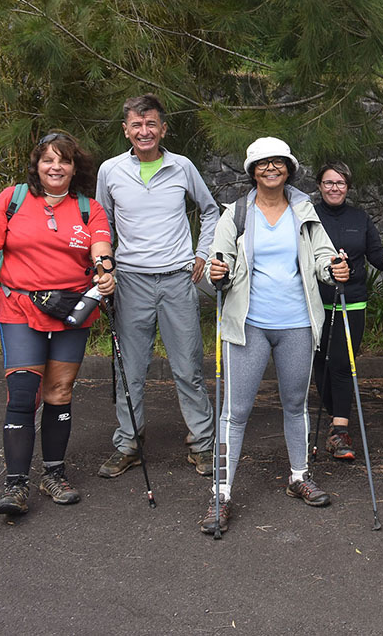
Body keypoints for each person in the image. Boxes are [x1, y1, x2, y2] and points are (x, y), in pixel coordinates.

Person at [0, 131, 115, 516]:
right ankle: (15, 484)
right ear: (37, 166)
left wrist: (105, 271)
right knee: (23, 393)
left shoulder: (87, 208)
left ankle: (53, 474)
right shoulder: (11, 201)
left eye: (63, 160)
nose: (55, 167)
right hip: (20, 309)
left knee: (59, 392)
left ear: (75, 168)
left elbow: (101, 247)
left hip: (71, 310)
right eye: (48, 160)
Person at [204, 138, 350, 533]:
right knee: (234, 413)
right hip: (247, 324)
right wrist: (215, 273)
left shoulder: (304, 210)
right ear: (253, 170)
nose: (271, 169)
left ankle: (299, 476)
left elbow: (322, 256)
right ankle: (220, 493)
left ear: (289, 168)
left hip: (298, 323)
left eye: (278, 163)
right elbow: (217, 264)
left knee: (295, 404)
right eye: (263, 164)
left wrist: (332, 268)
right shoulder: (235, 213)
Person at [95, 94, 219, 479]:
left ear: (163, 129)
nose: (144, 131)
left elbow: (211, 209)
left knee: (187, 367)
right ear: (126, 130)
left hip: (178, 280)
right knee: (129, 369)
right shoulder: (110, 171)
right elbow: (103, 223)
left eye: (151, 125)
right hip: (130, 282)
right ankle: (128, 442)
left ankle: (203, 443)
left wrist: (202, 252)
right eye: (137, 125)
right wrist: (106, 265)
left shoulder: (182, 167)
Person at [312, 162, 383, 460]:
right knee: (320, 365)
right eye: (328, 183)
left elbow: (375, 254)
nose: (334, 188)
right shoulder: (309, 216)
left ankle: (340, 430)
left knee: (341, 362)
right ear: (320, 186)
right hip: (315, 302)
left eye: (340, 183)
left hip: (351, 302)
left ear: (347, 187)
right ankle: (335, 413)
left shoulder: (359, 218)